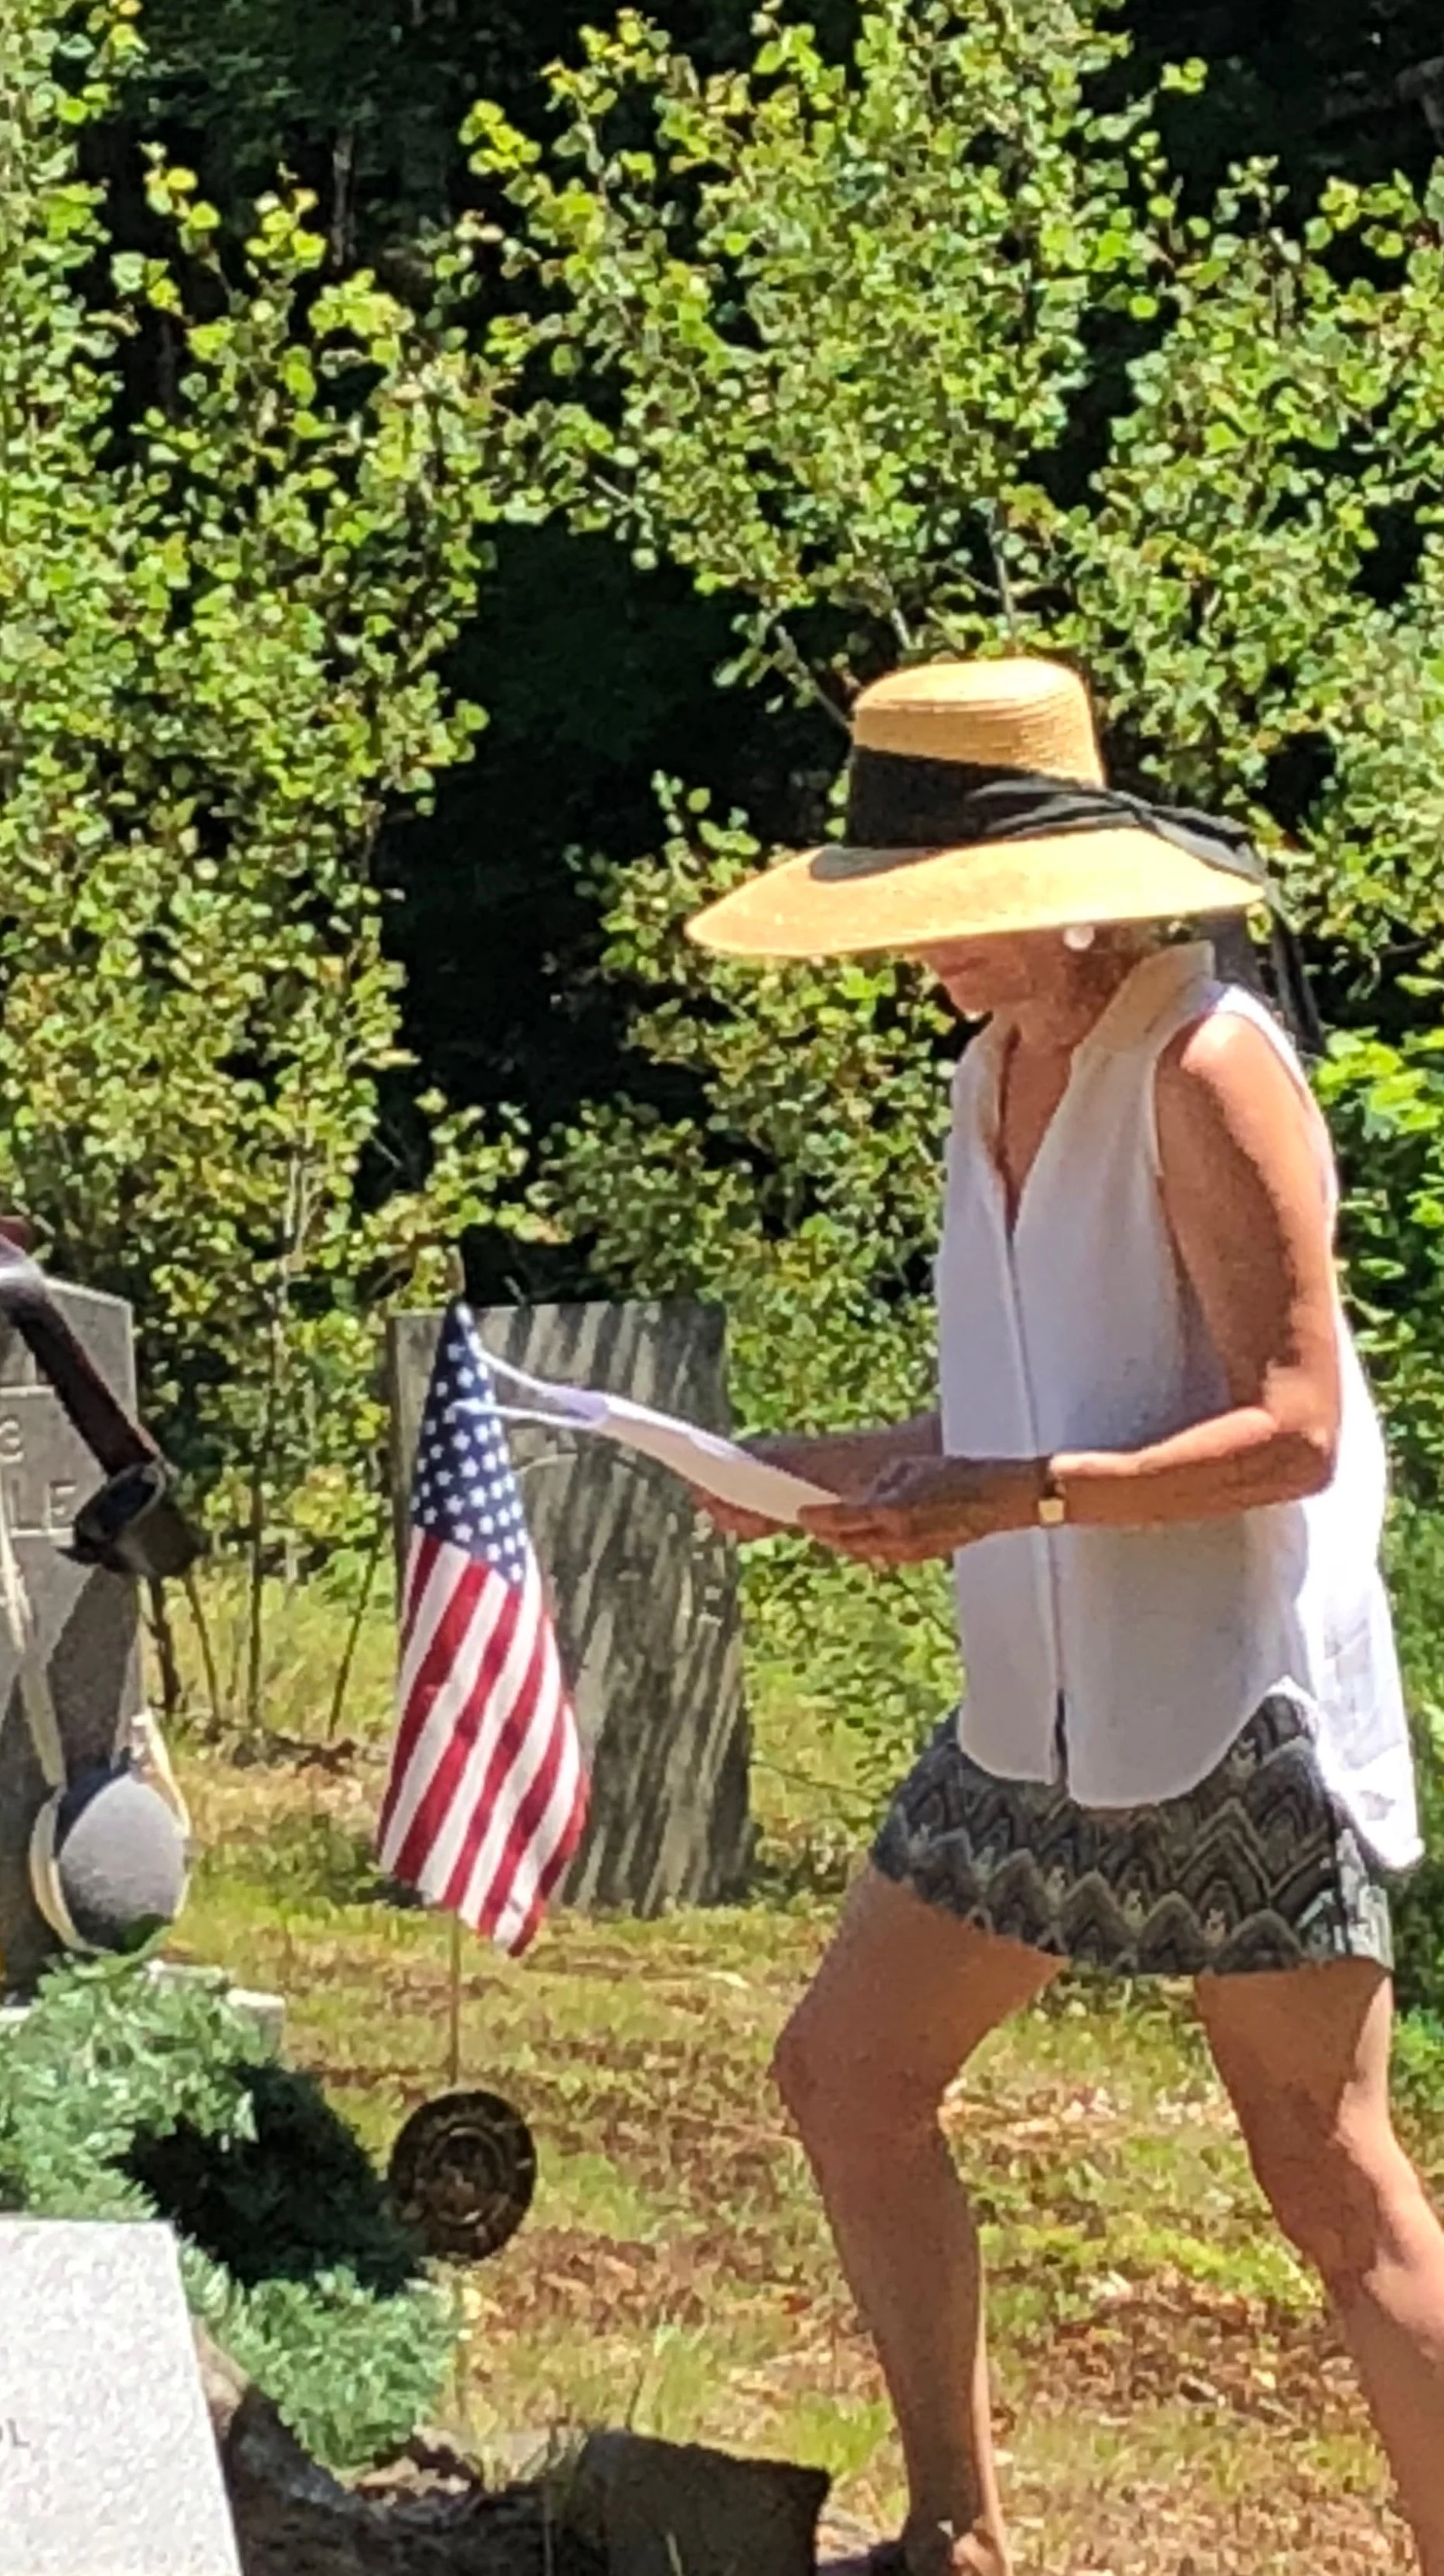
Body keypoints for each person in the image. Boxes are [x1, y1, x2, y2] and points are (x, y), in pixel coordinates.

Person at [684, 656, 1444, 2576]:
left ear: (1073, 890)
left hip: (1224, 1714)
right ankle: (955, 2527)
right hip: (1028, 1714)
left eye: (952, 928)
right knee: (846, 2076)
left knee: (1331, 2183)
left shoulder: (1203, 1066)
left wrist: (1002, 1498)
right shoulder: (989, 1067)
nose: (927, 967)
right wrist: (811, 1463)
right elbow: (1030, 1413)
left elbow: (1285, 1425)